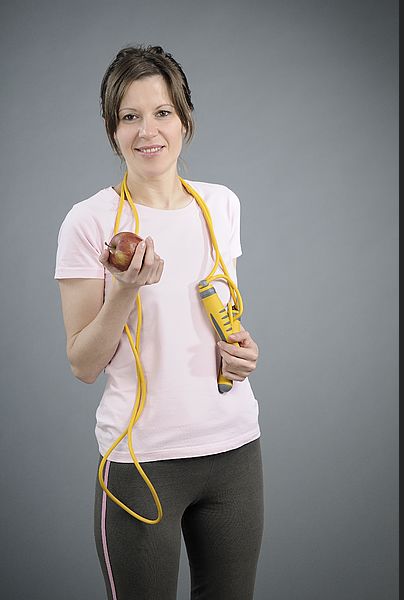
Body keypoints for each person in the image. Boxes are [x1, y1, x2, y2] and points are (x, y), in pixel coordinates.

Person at [54, 44, 263, 600]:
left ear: (186, 120)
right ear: (112, 130)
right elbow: (82, 363)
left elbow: (225, 318)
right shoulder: (89, 221)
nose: (148, 131)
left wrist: (243, 350)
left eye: (162, 112)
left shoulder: (220, 205)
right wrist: (123, 289)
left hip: (234, 452)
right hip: (141, 462)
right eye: (129, 116)